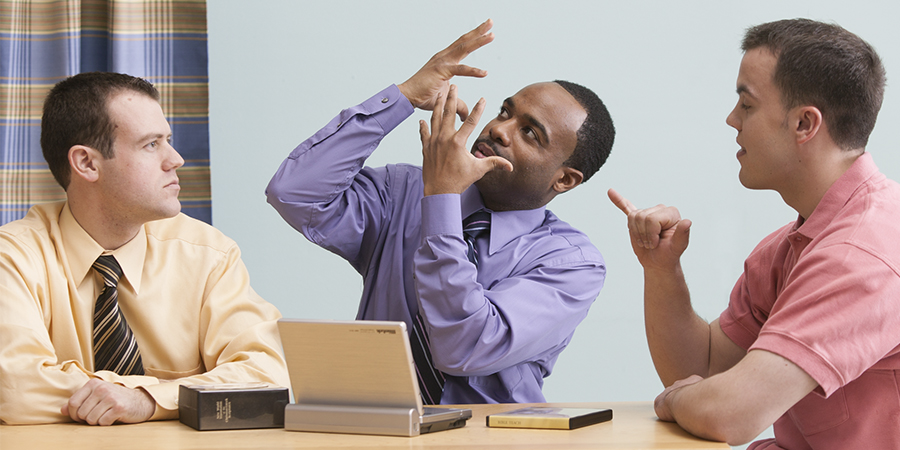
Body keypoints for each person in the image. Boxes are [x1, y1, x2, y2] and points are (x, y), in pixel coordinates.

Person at [266, 19, 614, 404]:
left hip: (490, 440)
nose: (500, 129)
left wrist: (443, 201)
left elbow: (464, 347)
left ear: (564, 180)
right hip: (374, 429)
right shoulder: (404, 191)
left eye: (530, 133)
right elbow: (294, 193)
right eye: (505, 112)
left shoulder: (572, 263)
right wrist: (403, 97)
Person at [609, 18, 900, 448]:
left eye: (746, 105)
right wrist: (661, 269)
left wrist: (677, 400)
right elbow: (709, 369)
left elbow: (728, 413)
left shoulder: (863, 251)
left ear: (805, 124)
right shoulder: (788, 247)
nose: (731, 119)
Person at [0, 72, 290, 426]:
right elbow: (14, 389)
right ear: (87, 163)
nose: (176, 159)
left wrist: (148, 399)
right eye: (151, 144)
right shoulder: (13, 257)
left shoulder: (208, 255)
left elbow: (271, 372)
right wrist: (177, 392)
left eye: (168, 140)